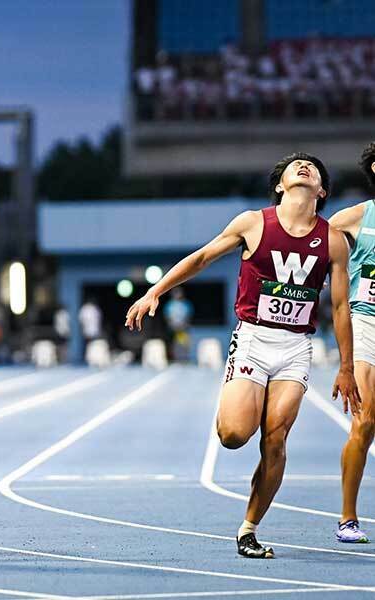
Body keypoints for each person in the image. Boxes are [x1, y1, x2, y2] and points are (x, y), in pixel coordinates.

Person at [126, 152, 359, 558]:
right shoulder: (253, 224)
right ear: (280, 186)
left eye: (313, 168)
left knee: (276, 440)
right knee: (233, 435)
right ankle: (236, 398)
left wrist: (346, 367)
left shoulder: (334, 242)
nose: (304, 167)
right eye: (295, 166)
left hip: (296, 348)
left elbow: (340, 307)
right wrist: (154, 292)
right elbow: (201, 257)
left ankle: (248, 529)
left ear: (321, 190)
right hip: (253, 339)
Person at [328, 141, 375, 543]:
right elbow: (310, 239)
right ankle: (348, 518)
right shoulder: (355, 218)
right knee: (366, 420)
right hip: (367, 325)